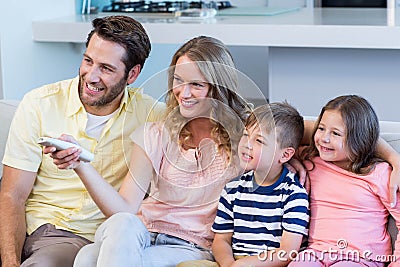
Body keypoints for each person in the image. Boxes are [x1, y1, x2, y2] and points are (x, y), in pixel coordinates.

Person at [51, 36, 252, 267]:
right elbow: (124, 208)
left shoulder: (244, 138)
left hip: (191, 245)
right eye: (178, 80)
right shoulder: (156, 133)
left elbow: (291, 128)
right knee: (118, 228)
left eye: (196, 85)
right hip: (139, 234)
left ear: (219, 89)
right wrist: (79, 163)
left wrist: (298, 146)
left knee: (89, 258)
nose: (183, 93)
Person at [0, 15, 165, 267]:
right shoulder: (39, 104)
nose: (91, 76)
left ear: (132, 74)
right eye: (88, 61)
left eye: (106, 68)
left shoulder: (152, 116)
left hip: (102, 240)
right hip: (45, 231)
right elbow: (13, 195)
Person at [177, 102, 310, 267]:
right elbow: (221, 240)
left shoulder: (294, 195)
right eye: (246, 135)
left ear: (285, 155)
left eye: (259, 141)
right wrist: (228, 264)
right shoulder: (233, 189)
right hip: (233, 262)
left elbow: (287, 252)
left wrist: (248, 264)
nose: (247, 144)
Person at [288, 95, 400, 267]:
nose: (324, 138)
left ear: (359, 139)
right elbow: (278, 140)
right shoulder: (310, 159)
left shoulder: (380, 173)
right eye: (321, 128)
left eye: (335, 133)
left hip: (361, 257)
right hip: (315, 253)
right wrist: (291, 160)